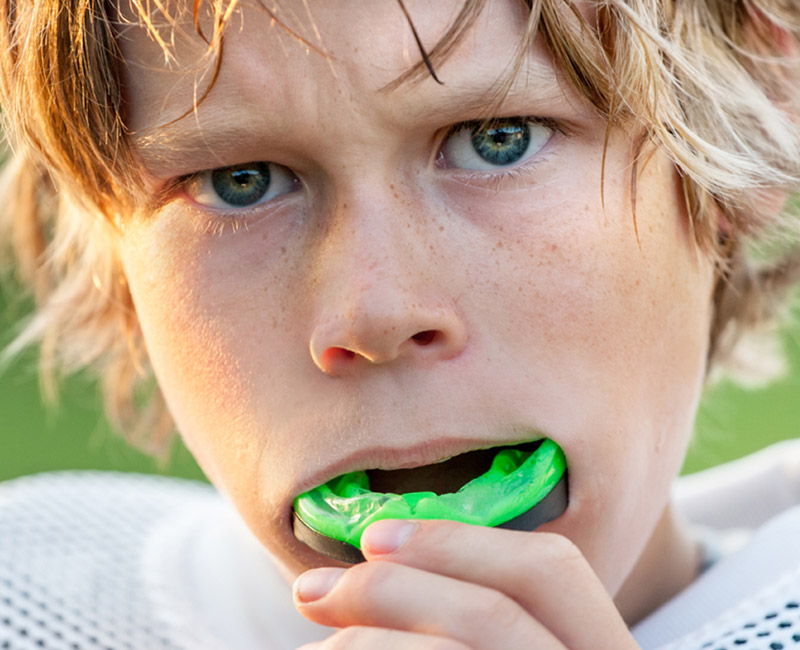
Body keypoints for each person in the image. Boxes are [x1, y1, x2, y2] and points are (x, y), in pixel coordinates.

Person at [0, 1, 799, 648]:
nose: (373, 313)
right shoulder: (34, 603)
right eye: (238, 182)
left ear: (762, 105)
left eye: (498, 141)